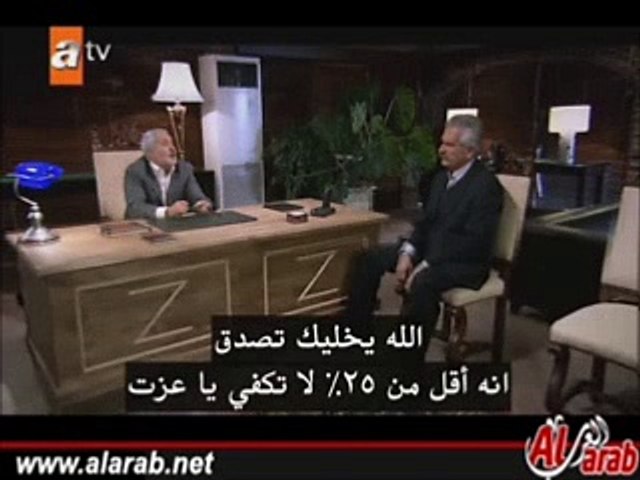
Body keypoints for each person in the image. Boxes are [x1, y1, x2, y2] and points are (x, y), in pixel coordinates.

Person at [345, 115, 504, 353]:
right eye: (442, 143)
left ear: (470, 152)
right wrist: (407, 252)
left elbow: (472, 243)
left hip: (465, 262)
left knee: (423, 283)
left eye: (449, 145)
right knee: (370, 258)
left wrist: (426, 264)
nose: (441, 150)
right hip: (431, 250)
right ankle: (356, 334)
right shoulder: (440, 179)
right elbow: (425, 223)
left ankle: (408, 360)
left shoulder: (486, 187)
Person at [124, 128, 213, 220]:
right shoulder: (136, 171)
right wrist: (167, 212)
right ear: (150, 152)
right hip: (142, 224)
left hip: (176, 224)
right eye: (165, 144)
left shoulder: (184, 169)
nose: (173, 148)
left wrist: (201, 204)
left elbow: (197, 197)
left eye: (172, 144)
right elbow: (135, 208)